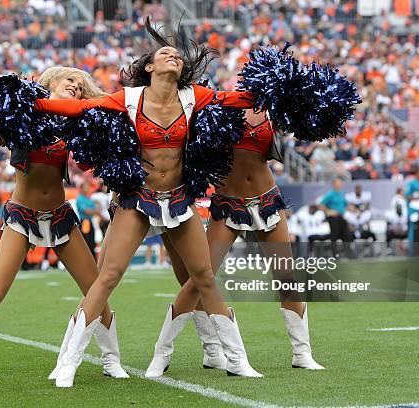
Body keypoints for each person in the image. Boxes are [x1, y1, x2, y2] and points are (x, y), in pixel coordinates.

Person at [35, 18, 262, 387]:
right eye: (164, 53)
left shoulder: (194, 97)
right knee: (108, 276)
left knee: (204, 276)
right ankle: (70, 362)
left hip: (180, 200)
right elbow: (78, 109)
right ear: (150, 67)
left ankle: (237, 359)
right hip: (138, 200)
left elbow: (233, 99)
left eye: (177, 55)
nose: (172, 55)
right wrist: (32, 103)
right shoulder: (127, 99)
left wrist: (275, 92)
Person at [0, 67, 128, 390]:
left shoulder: (72, 120)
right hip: (22, 215)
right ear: (50, 81)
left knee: (96, 289)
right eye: (70, 80)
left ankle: (112, 361)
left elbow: (84, 164)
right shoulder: (24, 112)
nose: (76, 86)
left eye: (81, 86)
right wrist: (9, 111)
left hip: (59, 216)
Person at [150, 109, 324, 376]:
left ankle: (302, 353)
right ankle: (162, 354)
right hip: (227, 205)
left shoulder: (272, 110)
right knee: (200, 277)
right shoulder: (220, 110)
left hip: (267, 201)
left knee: (286, 277)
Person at [318, 178, 352, 256]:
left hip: (341, 217)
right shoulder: (330, 194)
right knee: (334, 235)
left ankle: (347, 253)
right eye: (338, 183)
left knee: (347, 234)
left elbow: (346, 204)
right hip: (333, 218)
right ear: (334, 185)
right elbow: (321, 205)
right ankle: (334, 254)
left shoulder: (342, 194)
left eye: (340, 183)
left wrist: (355, 210)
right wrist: (328, 211)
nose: (340, 185)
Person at [76, 182, 101, 258]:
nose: (88, 188)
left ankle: (94, 262)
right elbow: (86, 211)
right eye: (86, 187)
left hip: (89, 222)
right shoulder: (80, 199)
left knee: (92, 244)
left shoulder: (89, 199)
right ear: (81, 188)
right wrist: (95, 211)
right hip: (84, 222)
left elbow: (97, 209)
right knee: (87, 243)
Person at [385, 187, 408, 255]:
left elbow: (406, 224)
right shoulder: (391, 214)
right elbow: (390, 225)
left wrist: (404, 230)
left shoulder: (405, 213)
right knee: (389, 233)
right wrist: (395, 229)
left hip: (403, 232)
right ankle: (388, 249)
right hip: (395, 232)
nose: (399, 208)